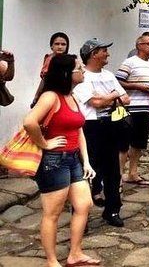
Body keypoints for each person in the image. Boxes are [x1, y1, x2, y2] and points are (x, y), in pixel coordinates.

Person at [24, 54, 99, 267]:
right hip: (54, 161)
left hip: (73, 158)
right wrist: (44, 144)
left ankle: (75, 253)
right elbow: (29, 122)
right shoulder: (50, 96)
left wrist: (86, 161)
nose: (83, 70)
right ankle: (51, 260)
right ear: (67, 73)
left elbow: (78, 129)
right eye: (79, 68)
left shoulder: (71, 96)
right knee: (52, 213)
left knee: (84, 204)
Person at [73, 39, 130, 227]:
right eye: (103, 51)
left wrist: (108, 97)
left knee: (112, 170)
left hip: (110, 124)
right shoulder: (83, 78)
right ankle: (81, 215)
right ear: (93, 54)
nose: (107, 54)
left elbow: (126, 98)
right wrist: (113, 96)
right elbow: (96, 103)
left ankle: (112, 209)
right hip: (91, 127)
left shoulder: (108, 75)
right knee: (88, 170)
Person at [116, 34, 149, 187]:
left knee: (139, 143)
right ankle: (119, 174)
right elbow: (118, 82)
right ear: (139, 45)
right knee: (124, 143)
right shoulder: (129, 62)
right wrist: (137, 86)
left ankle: (133, 172)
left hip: (145, 108)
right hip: (129, 108)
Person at [32, 32, 70, 107]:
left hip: (66, 95)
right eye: (57, 44)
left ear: (67, 46)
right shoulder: (49, 59)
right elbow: (44, 79)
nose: (60, 47)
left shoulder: (71, 60)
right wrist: (36, 96)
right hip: (49, 94)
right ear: (51, 46)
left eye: (63, 44)